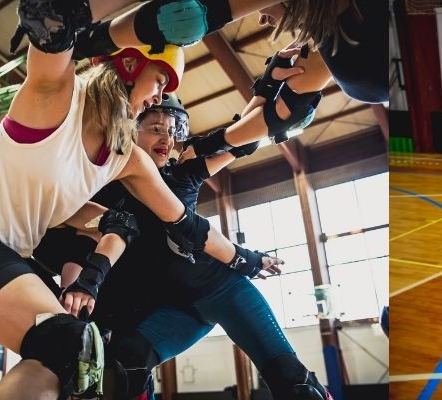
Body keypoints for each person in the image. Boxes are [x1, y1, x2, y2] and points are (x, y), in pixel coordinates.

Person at [0, 21, 243, 398]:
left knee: (78, 360)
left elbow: (185, 223)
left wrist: (243, 259)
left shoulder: (123, 157)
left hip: (6, 254)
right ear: (129, 66)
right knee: (70, 347)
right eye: (159, 82)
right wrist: (113, 26)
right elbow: (50, 26)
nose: (158, 98)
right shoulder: (58, 99)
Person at [34, 90, 332, 400]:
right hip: (174, 308)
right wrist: (75, 299)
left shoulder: (182, 174)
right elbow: (80, 249)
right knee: (124, 368)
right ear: (130, 129)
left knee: (295, 386)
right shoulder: (101, 190)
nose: (167, 139)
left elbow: (241, 137)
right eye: (156, 129)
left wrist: (266, 91)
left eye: (173, 131)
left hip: (222, 289)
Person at [63, 0, 388, 103]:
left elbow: (187, 17)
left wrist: (86, 39)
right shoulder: (322, 45)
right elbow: (274, 119)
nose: (260, 18)